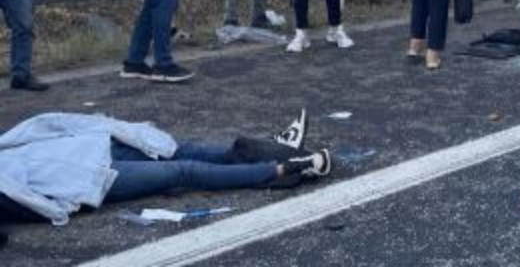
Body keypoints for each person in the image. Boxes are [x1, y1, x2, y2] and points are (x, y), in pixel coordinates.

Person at [0, 112, 328, 227]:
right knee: (182, 171)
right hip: (86, 178)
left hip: (87, 144)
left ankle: (274, 147)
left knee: (175, 148)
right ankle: (283, 169)